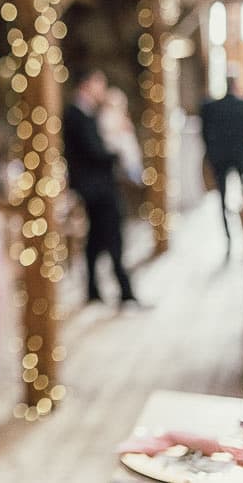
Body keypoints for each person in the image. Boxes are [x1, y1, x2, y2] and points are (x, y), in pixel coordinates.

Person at [63, 68, 137, 306]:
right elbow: (92, 151)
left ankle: (93, 290)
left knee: (95, 239)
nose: (101, 90)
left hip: (98, 185)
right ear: (86, 84)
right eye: (99, 84)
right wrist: (116, 153)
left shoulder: (88, 113)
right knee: (113, 237)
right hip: (96, 188)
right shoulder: (75, 114)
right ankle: (125, 291)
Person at [200, 72, 243, 257]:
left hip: (220, 157)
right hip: (239, 158)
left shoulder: (210, 107)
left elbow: (204, 134)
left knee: (223, 198)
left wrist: (211, 153)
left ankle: (229, 236)